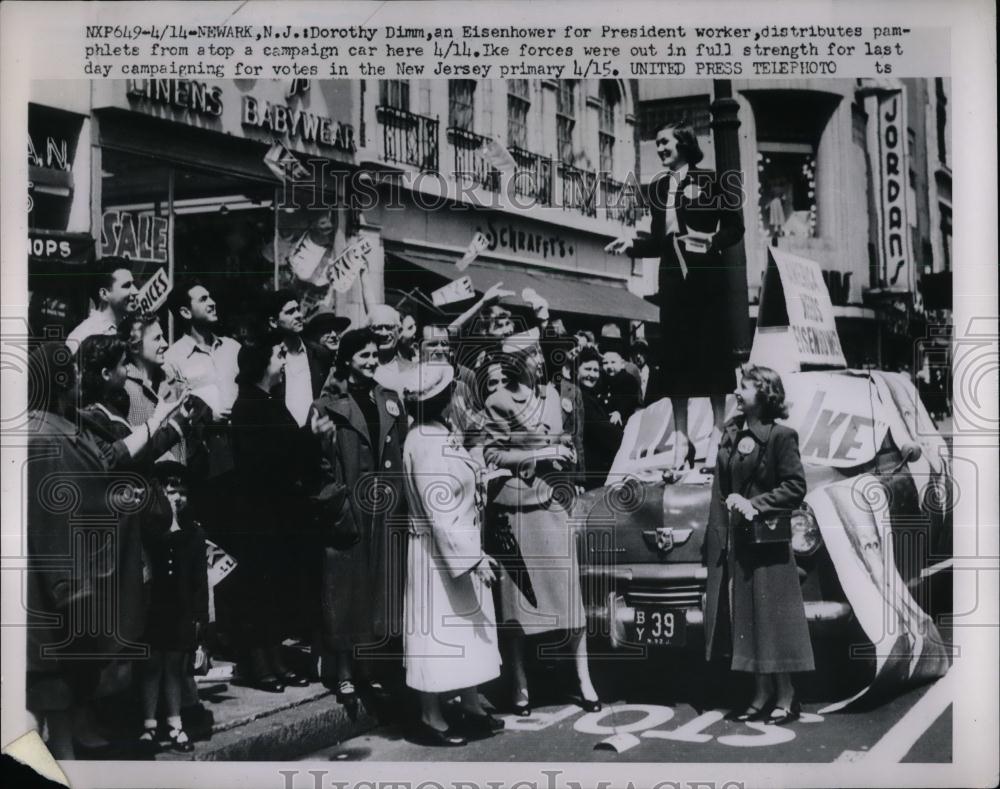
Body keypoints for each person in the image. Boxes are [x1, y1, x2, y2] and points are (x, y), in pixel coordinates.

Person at [25, 342, 160, 759]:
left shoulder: (51, 428)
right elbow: (54, 520)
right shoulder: (45, 437)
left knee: (57, 689)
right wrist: (72, 589)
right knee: (48, 686)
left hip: (59, 581)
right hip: (57, 585)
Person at [606, 123, 745, 470]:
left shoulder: (712, 181)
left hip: (706, 280)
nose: (660, 149)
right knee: (677, 357)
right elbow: (658, 240)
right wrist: (632, 245)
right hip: (673, 281)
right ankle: (682, 441)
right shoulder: (658, 187)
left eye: (664, 141)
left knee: (712, 357)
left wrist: (710, 240)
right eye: (657, 143)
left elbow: (734, 227)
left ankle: (716, 434)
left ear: (683, 143)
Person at [481, 344, 601, 716]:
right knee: (519, 604)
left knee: (570, 599)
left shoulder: (553, 394)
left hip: (553, 502)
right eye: (524, 356)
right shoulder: (499, 400)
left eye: (535, 353)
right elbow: (493, 454)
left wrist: (565, 454)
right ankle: (519, 683)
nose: (533, 361)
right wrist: (539, 455)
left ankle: (584, 679)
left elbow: (565, 439)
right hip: (517, 507)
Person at [703, 364, 813, 725]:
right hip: (740, 541)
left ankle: (787, 694)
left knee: (774, 619)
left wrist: (755, 504)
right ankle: (761, 692)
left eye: (746, 387)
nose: (738, 392)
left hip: (768, 539)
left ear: (764, 394)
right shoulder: (731, 432)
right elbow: (721, 479)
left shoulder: (782, 436)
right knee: (748, 618)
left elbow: (796, 486)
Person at [400, 363, 504, 746]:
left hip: (455, 547)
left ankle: (470, 704)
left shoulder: (437, 434)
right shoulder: (426, 442)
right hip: (437, 554)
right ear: (441, 399)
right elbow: (439, 509)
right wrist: (473, 558)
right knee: (439, 633)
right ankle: (430, 715)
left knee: (466, 628)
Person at [312, 328, 409, 703]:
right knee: (346, 593)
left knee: (380, 591)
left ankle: (371, 668)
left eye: (374, 354)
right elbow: (319, 464)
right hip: (349, 509)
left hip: (385, 510)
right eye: (363, 355)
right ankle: (346, 673)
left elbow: (401, 448)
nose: (371, 361)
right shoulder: (326, 406)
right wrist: (336, 504)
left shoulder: (389, 399)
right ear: (347, 359)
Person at [228, 336, 317, 692]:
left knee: (274, 591)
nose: (283, 362)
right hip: (257, 514)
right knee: (258, 592)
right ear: (263, 363)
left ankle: (276, 660)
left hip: (276, 514)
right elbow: (271, 459)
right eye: (278, 356)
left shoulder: (268, 402)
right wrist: (309, 438)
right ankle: (259, 664)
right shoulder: (248, 406)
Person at [137, 461, 209, 754]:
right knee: (151, 666)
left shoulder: (194, 533)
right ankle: (149, 724)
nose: (177, 497)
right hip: (154, 610)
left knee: (175, 669)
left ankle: (175, 723)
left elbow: (199, 581)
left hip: (181, 612)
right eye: (170, 491)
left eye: (182, 491)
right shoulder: (150, 531)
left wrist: (200, 617)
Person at [120, 312, 195, 465]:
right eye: (157, 338)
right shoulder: (123, 388)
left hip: (180, 482)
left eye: (163, 336)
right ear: (134, 347)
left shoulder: (173, 382)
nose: (166, 344)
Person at [267, 289, 328, 426]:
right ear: (273, 322)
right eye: (290, 312)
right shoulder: (269, 358)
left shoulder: (319, 354)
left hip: (315, 437)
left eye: (298, 309)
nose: (299, 315)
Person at [575, 346, 624, 489]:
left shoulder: (593, 396)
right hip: (591, 475)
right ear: (577, 370)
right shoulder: (580, 398)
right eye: (588, 369)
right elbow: (602, 430)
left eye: (596, 370)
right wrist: (628, 439)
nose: (592, 374)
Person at [66, 256, 138, 351]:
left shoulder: (133, 329)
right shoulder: (82, 335)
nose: (136, 291)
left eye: (133, 284)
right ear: (104, 294)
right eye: (126, 286)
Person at [302, 306, 351, 383]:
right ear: (314, 335)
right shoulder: (307, 363)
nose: (334, 335)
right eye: (326, 330)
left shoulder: (344, 362)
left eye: (336, 329)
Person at [630, 339, 663, 407]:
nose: (638, 356)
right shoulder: (629, 373)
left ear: (647, 354)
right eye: (635, 352)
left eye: (641, 352)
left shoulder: (655, 374)